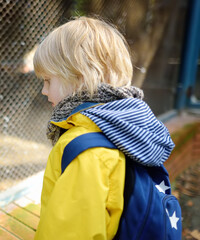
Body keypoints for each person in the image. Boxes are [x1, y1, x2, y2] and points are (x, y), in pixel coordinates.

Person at [33, 16, 175, 239]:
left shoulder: (87, 149)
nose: (43, 90)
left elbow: (72, 232)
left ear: (79, 78)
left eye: (48, 80)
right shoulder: (127, 125)